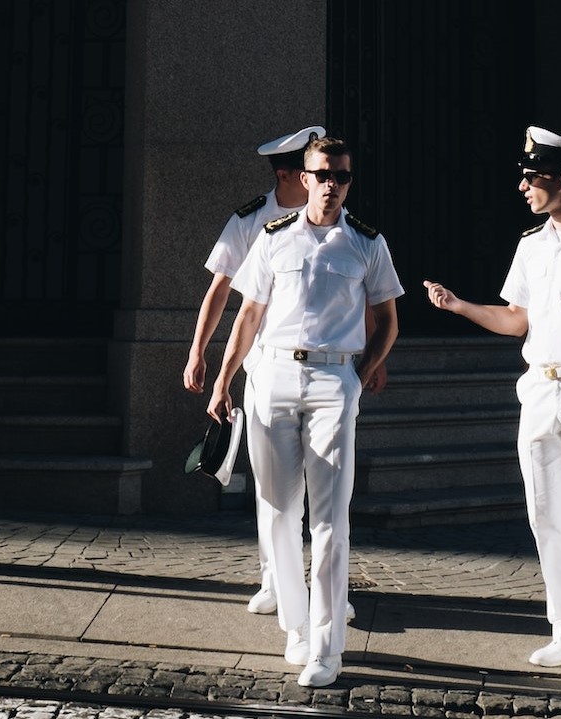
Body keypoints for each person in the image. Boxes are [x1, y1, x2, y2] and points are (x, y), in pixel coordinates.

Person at [423, 126, 561, 691]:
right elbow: (516, 318)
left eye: (532, 177)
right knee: (546, 515)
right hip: (539, 390)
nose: (523, 186)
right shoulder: (531, 244)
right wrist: (459, 307)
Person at [207, 136, 403, 688]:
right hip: (270, 375)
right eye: (323, 174)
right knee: (275, 509)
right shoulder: (271, 238)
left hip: (332, 381)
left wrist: (363, 371)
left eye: (342, 176)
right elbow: (248, 315)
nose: (332, 185)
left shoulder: (366, 243)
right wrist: (223, 379)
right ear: (306, 178)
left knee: (331, 517)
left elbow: (388, 317)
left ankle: (326, 644)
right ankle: (295, 626)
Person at [184, 126, 325, 617]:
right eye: (305, 171)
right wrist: (199, 352)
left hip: (321, 366)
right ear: (287, 174)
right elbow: (222, 291)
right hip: (265, 360)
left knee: (318, 480)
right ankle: (274, 579)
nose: (317, 180)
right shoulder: (251, 220)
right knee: (273, 481)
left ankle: (316, 586)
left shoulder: (331, 218)